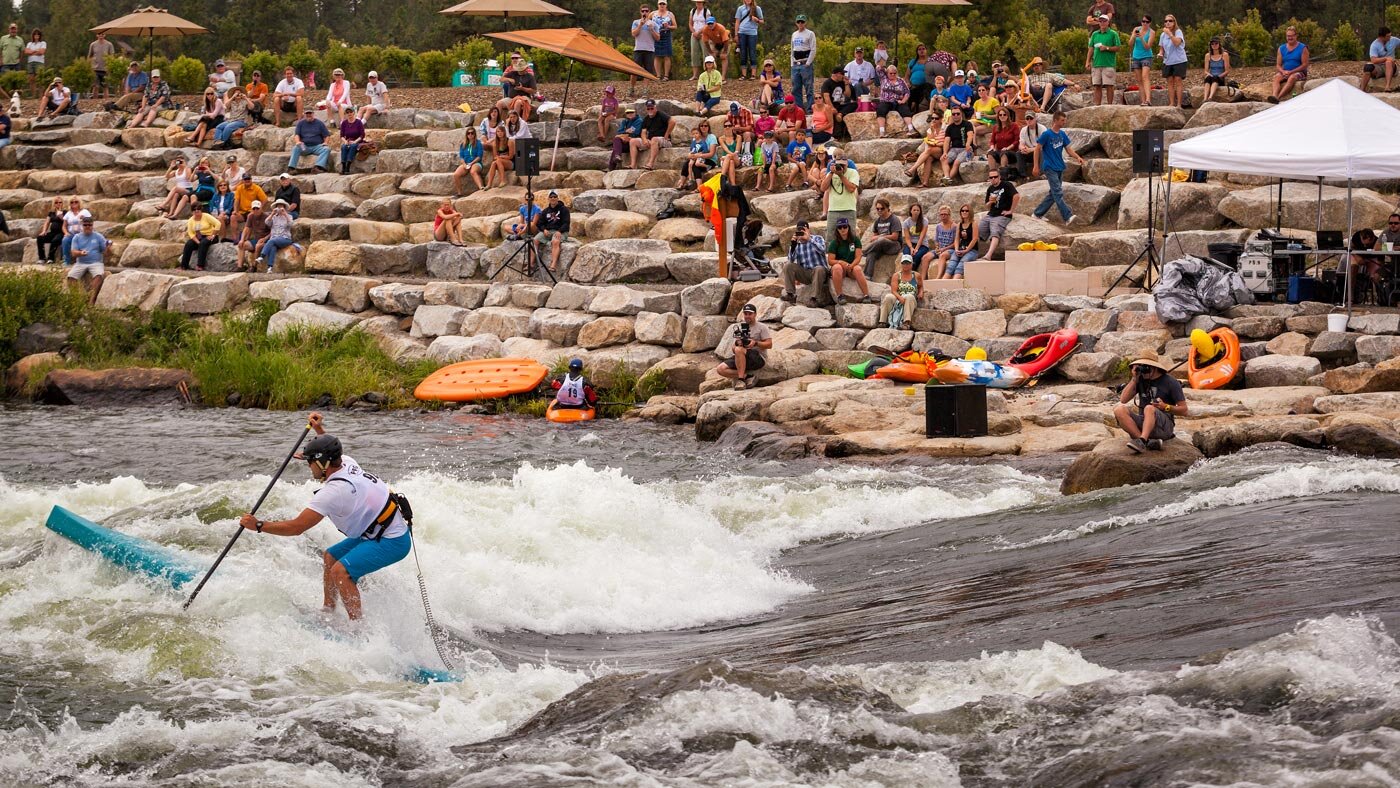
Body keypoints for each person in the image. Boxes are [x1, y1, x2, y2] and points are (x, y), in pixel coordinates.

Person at [238, 413, 413, 622]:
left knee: (341, 572)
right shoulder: (346, 462)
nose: (309, 466)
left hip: (392, 540)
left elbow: (296, 527)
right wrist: (318, 430)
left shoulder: (332, 492)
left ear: (322, 464)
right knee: (331, 557)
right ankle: (328, 610)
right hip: (377, 529)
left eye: (310, 461)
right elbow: (332, 447)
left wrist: (258, 525)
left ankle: (359, 629)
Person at [1113, 351, 1186, 452]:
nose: (1144, 372)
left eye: (1147, 368)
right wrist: (1134, 379)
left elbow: (1184, 410)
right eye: (1142, 368)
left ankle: (1142, 440)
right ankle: (1145, 442)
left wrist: (1166, 407)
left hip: (1163, 427)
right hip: (1144, 424)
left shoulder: (1171, 382)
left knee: (1149, 408)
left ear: (1155, 368)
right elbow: (1123, 400)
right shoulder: (1140, 379)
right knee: (1119, 410)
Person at [1032, 111, 1086, 226]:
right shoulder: (1046, 134)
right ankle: (1067, 216)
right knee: (1057, 192)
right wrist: (1036, 166)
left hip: (1060, 166)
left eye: (1064, 120)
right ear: (1055, 121)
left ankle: (1037, 214)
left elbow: (1068, 149)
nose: (1064, 122)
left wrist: (1078, 157)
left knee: (1053, 194)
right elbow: (1037, 149)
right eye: (1062, 120)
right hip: (1049, 167)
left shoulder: (1062, 134)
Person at [714, 303, 772, 389]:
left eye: (750, 314)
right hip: (742, 355)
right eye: (745, 314)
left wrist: (755, 343)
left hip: (758, 358)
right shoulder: (741, 327)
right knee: (720, 369)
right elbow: (734, 349)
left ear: (755, 314)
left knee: (739, 350)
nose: (747, 316)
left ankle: (740, 380)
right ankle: (747, 376)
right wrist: (738, 343)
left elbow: (769, 345)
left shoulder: (762, 327)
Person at [779, 219, 830, 305]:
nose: (801, 232)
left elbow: (822, 250)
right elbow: (791, 260)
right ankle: (790, 294)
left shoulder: (817, 238)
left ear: (808, 230)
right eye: (799, 231)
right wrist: (793, 245)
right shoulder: (797, 244)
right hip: (805, 274)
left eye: (803, 230)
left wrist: (809, 239)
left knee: (818, 269)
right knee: (788, 266)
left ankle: (814, 299)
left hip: (820, 272)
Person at [826, 218, 872, 305]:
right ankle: (840, 295)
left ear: (848, 227)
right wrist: (840, 262)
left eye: (844, 227)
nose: (842, 229)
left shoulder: (855, 240)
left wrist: (851, 266)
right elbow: (830, 261)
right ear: (837, 229)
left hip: (851, 266)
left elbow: (858, 257)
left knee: (857, 269)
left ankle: (866, 295)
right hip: (841, 268)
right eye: (840, 227)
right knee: (836, 268)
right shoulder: (834, 243)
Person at [978, 167, 1019, 260]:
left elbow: (1016, 196)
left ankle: (988, 255)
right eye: (991, 177)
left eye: (995, 177)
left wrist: (1011, 211)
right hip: (991, 214)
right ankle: (972, 252)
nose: (993, 179)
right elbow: (987, 205)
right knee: (977, 231)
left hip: (1002, 215)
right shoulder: (990, 188)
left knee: (995, 232)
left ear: (999, 177)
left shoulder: (1007, 185)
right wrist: (990, 202)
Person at [66, 216, 107, 305]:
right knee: (71, 277)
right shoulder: (77, 237)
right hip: (81, 262)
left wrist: (108, 246)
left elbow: (104, 250)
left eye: (90, 225)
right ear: (82, 225)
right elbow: (73, 252)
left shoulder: (99, 236)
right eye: (85, 225)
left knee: (99, 276)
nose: (88, 227)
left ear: (92, 225)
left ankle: (91, 301)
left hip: (96, 262)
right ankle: (76, 300)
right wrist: (80, 253)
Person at [823, 147, 859, 245]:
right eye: (839, 164)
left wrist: (841, 176)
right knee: (830, 238)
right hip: (833, 209)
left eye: (843, 165)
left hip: (849, 208)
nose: (841, 167)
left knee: (851, 237)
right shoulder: (831, 172)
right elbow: (823, 188)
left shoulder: (853, 172)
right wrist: (831, 173)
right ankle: (830, 258)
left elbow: (851, 189)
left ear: (847, 163)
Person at [862, 197, 903, 277]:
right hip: (881, 247)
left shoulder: (894, 219)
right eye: (877, 209)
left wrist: (880, 237)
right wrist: (878, 237)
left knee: (881, 240)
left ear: (887, 208)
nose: (879, 211)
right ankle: (867, 276)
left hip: (894, 246)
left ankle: (863, 252)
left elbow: (895, 237)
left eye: (882, 208)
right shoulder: (877, 221)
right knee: (871, 254)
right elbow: (874, 237)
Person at [1086, 15, 1121, 106]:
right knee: (1097, 85)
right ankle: (1098, 106)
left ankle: (1109, 106)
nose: (1102, 23)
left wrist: (1107, 48)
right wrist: (1087, 61)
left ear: (1108, 22)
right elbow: (1091, 49)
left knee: (1109, 85)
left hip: (1108, 63)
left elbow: (1118, 48)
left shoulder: (1113, 34)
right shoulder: (1095, 34)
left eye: (1104, 21)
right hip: (1096, 63)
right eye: (1100, 21)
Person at [880, 254, 922, 330]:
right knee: (888, 297)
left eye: (908, 263)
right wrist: (899, 297)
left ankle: (906, 323)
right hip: (898, 296)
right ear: (901, 264)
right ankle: (883, 321)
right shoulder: (896, 275)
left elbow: (920, 286)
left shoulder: (917, 275)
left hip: (910, 298)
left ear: (911, 264)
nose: (905, 265)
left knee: (908, 296)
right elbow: (893, 290)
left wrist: (920, 293)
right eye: (904, 263)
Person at [630, 99, 674, 170]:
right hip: (652, 141)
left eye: (652, 108)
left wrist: (667, 134)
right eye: (648, 108)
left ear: (655, 107)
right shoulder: (646, 119)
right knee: (633, 141)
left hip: (664, 140)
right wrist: (644, 140)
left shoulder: (660, 115)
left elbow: (672, 121)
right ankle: (633, 165)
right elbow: (643, 132)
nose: (650, 110)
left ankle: (650, 164)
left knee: (654, 139)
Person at [532, 191, 571, 271]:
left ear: (557, 198)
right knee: (535, 240)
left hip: (561, 231)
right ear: (548, 199)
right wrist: (544, 230)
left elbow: (566, 223)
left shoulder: (564, 209)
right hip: (548, 231)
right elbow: (540, 223)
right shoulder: (545, 211)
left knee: (555, 241)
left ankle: (553, 265)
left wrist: (560, 231)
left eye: (554, 196)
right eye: (551, 197)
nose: (553, 198)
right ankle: (531, 264)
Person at [1270, 26, 1309, 103]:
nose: (1290, 38)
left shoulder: (1303, 48)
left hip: (1299, 72)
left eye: (1291, 36)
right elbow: (1278, 65)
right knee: (1276, 77)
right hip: (1286, 71)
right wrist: (1283, 71)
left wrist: (1291, 72)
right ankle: (1274, 96)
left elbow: (1305, 65)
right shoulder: (1281, 48)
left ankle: (1278, 98)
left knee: (1292, 78)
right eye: (1288, 36)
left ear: (1295, 36)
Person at [876, 64, 916, 137]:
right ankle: (882, 132)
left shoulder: (901, 81)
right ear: (887, 73)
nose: (892, 74)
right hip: (886, 101)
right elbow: (878, 68)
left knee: (905, 109)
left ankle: (911, 129)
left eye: (894, 73)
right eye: (890, 73)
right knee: (881, 109)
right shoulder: (884, 78)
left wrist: (903, 100)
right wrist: (884, 66)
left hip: (898, 101)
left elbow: (907, 92)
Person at [178, 203, 220, 271]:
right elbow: (191, 233)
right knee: (189, 244)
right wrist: (198, 242)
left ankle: (200, 265)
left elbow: (218, 223)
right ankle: (184, 266)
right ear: (192, 211)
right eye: (194, 210)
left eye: (198, 209)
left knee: (203, 243)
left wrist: (213, 235)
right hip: (198, 237)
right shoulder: (191, 220)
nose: (196, 211)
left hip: (210, 235)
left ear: (201, 210)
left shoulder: (206, 216)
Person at [261, 199, 299, 271]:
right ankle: (270, 267)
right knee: (273, 247)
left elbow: (291, 224)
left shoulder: (289, 216)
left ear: (284, 207)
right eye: (278, 206)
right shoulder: (274, 217)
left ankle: (262, 256)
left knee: (271, 241)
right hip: (275, 238)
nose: (279, 207)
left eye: (281, 206)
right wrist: (272, 214)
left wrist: (285, 214)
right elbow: (266, 222)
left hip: (285, 238)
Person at [288, 108, 332, 172]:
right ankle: (291, 168)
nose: (308, 115)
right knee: (296, 148)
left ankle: (318, 167)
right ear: (304, 114)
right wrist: (298, 142)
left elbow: (326, 135)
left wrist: (325, 142)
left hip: (317, 146)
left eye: (310, 113)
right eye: (307, 113)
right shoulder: (300, 123)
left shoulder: (320, 123)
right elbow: (297, 134)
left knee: (326, 149)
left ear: (313, 114)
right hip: (304, 146)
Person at [943, 203, 979, 279]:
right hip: (960, 249)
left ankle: (954, 285)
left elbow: (975, 239)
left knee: (960, 267)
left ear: (970, 212)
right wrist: (956, 249)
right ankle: (942, 285)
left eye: (966, 211)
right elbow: (957, 238)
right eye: (962, 211)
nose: (964, 212)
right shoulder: (959, 224)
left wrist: (966, 250)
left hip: (972, 250)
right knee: (951, 266)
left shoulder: (973, 224)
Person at [940, 107, 975, 185]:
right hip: (954, 149)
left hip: (966, 149)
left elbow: (970, 135)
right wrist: (945, 152)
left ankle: (947, 180)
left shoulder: (967, 124)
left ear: (961, 114)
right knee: (943, 159)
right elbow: (947, 141)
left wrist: (968, 144)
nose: (956, 115)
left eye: (958, 113)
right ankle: (947, 178)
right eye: (953, 114)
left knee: (956, 162)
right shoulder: (950, 127)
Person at [231, 172, 268, 245]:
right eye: (245, 179)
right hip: (242, 212)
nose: (247, 180)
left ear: (251, 179)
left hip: (253, 210)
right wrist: (235, 211)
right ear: (243, 180)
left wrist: (259, 209)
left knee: (250, 216)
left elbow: (265, 199)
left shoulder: (256, 188)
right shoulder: (239, 188)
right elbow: (236, 200)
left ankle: (246, 238)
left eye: (249, 179)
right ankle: (235, 238)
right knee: (233, 217)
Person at [904, 120, 944, 187]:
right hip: (933, 150)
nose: (934, 120)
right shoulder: (930, 130)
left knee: (929, 150)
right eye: (933, 118)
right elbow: (931, 141)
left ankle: (912, 169)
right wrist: (933, 131)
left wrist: (936, 142)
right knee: (928, 158)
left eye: (936, 118)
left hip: (943, 150)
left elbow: (943, 142)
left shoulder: (944, 128)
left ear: (941, 119)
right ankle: (925, 183)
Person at [497, 53, 537, 120]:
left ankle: (515, 122)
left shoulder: (530, 77)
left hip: (524, 98)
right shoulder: (513, 73)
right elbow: (501, 79)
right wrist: (509, 79)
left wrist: (522, 88)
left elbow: (533, 90)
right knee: (499, 103)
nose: (520, 71)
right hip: (511, 97)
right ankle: (497, 122)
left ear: (525, 68)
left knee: (518, 102)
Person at [1159, 15, 1187, 109]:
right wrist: (1160, 53)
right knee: (1170, 81)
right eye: (1166, 21)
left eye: (1170, 21)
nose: (1168, 22)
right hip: (1167, 61)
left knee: (1178, 80)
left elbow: (1177, 43)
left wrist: (1170, 34)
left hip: (1179, 60)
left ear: (1174, 22)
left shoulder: (1178, 32)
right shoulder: (1163, 35)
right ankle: (1171, 103)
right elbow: (1161, 48)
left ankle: (1179, 104)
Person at [631, 5, 660, 95]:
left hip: (649, 50)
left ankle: (645, 89)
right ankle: (632, 88)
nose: (644, 13)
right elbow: (634, 34)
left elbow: (658, 38)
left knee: (648, 71)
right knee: (634, 70)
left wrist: (651, 30)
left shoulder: (654, 24)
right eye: (643, 11)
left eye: (646, 11)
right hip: (638, 49)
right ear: (640, 12)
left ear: (649, 12)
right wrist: (640, 25)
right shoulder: (636, 22)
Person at [790, 14, 816, 111]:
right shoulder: (794, 34)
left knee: (809, 87)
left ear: (805, 23)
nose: (800, 24)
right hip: (796, 64)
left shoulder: (810, 34)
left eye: (802, 22)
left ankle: (810, 108)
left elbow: (813, 49)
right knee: (796, 88)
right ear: (796, 23)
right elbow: (792, 50)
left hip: (805, 63)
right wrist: (792, 64)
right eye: (798, 22)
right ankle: (799, 108)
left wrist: (808, 63)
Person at [235, 199, 269, 272]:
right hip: (256, 239)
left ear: (261, 208)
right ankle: (240, 267)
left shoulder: (266, 217)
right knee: (241, 245)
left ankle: (254, 266)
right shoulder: (250, 216)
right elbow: (246, 228)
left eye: (257, 208)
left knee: (258, 246)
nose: (256, 210)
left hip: (266, 240)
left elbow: (273, 231)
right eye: (254, 208)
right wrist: (242, 239)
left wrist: (265, 238)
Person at [986, 106, 1021, 176]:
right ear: (998, 116)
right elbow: (992, 141)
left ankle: (1002, 175)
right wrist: (992, 147)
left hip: (1012, 152)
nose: (1002, 116)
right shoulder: (996, 127)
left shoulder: (1014, 126)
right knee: (990, 154)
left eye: (1004, 114)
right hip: (1000, 151)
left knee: (1004, 153)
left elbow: (1017, 141)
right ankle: (993, 174)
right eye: (1000, 115)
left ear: (1008, 116)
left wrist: (1008, 148)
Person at [733, 0, 763, 80]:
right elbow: (737, 21)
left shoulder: (757, 9)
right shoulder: (740, 8)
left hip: (752, 33)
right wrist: (736, 34)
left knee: (752, 52)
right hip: (742, 32)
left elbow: (762, 21)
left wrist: (757, 20)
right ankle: (744, 75)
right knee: (743, 53)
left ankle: (753, 74)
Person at [1362, 27, 1398, 93]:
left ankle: (1387, 87)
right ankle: (1362, 90)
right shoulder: (1374, 45)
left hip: (1391, 67)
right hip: (1379, 68)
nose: (1390, 37)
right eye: (1388, 36)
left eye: (1390, 35)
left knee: (1388, 62)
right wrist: (1386, 58)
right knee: (1367, 67)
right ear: (1381, 37)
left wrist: (1388, 59)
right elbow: (1373, 60)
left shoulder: (1394, 40)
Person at [1129, 15, 1155, 106]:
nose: (1144, 23)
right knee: (1139, 80)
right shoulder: (1136, 29)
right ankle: (1143, 101)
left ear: (1150, 23)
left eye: (1147, 22)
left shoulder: (1151, 32)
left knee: (1145, 76)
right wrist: (1133, 36)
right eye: (1143, 21)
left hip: (1146, 56)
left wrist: (1141, 38)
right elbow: (1130, 44)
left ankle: (1148, 100)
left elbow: (1147, 47)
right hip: (1136, 56)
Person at [680, 122, 715, 188]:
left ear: (708, 127)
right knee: (686, 164)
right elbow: (692, 149)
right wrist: (690, 154)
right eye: (701, 126)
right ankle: (682, 183)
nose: (703, 127)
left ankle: (699, 187)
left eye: (705, 126)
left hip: (709, 159)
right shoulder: (695, 138)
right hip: (697, 156)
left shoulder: (711, 137)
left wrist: (698, 155)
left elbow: (711, 154)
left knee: (695, 166)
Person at [59, 198, 92, 268]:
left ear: (79, 203)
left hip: (82, 234)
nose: (74, 203)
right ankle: (66, 261)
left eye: (76, 202)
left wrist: (84, 219)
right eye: (72, 202)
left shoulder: (85, 212)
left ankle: (82, 260)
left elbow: (90, 222)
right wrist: (66, 233)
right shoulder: (68, 213)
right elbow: (64, 226)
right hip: (71, 234)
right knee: (65, 240)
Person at [609, 106, 644, 171]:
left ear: (635, 112)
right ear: (626, 114)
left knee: (616, 146)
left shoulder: (639, 121)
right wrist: (625, 132)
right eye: (628, 113)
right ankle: (617, 157)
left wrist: (624, 135)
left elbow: (636, 133)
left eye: (631, 112)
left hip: (634, 143)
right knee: (617, 141)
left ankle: (611, 168)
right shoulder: (624, 121)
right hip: (626, 141)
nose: (630, 114)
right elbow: (619, 132)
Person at [453, 126, 486, 196]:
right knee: (456, 174)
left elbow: (479, 156)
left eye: (472, 133)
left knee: (473, 171)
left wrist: (471, 163)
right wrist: (464, 164)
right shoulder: (463, 144)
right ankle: (459, 193)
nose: (470, 135)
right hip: (466, 163)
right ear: (466, 135)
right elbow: (461, 157)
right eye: (468, 133)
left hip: (476, 163)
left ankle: (481, 188)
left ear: (474, 134)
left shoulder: (478, 143)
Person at [1202, 37, 1231, 103]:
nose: (1214, 45)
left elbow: (1227, 71)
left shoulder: (1225, 55)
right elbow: (1205, 70)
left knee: (1215, 78)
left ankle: (1210, 97)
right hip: (1211, 76)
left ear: (1219, 44)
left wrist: (1219, 76)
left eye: (1216, 43)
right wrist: (1208, 74)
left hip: (1220, 77)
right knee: (1208, 78)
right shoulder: (1207, 55)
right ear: (1210, 45)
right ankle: (1205, 98)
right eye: (1212, 44)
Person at [36, 197, 63, 264]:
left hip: (61, 232)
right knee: (40, 238)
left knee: (55, 240)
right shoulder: (51, 213)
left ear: (62, 203)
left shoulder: (65, 212)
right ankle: (42, 258)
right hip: (53, 232)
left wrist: (60, 215)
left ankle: (51, 258)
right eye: (56, 202)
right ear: (54, 204)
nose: (58, 204)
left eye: (60, 202)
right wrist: (44, 231)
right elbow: (47, 222)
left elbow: (66, 221)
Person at [653, 1, 676, 80]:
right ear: (658, 5)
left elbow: (675, 26)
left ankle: (666, 76)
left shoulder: (670, 14)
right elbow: (647, 21)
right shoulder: (653, 14)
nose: (662, 5)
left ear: (666, 5)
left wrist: (668, 26)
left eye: (663, 4)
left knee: (667, 55)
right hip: (656, 35)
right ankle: (658, 75)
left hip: (666, 34)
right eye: (660, 4)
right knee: (657, 56)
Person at [88, 32, 114, 100]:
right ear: (97, 35)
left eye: (102, 34)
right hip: (95, 68)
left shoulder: (109, 44)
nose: (101, 36)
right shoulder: (93, 44)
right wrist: (89, 66)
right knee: (95, 86)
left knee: (105, 86)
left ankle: (106, 101)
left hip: (105, 69)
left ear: (105, 35)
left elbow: (112, 56)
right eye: (99, 34)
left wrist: (110, 67)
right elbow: (90, 56)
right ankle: (94, 101)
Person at [689, 0, 712, 80]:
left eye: (700, 2)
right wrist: (694, 32)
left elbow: (708, 24)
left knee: (705, 54)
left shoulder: (706, 11)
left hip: (704, 34)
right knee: (694, 54)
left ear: (703, 3)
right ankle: (695, 75)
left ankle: (707, 73)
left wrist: (699, 32)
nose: (698, 4)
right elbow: (690, 23)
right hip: (694, 35)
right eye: (697, 2)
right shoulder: (693, 11)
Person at [907, 44, 932, 111]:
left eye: (923, 49)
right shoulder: (913, 62)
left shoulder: (930, 61)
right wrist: (908, 82)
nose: (921, 51)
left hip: (925, 86)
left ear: (926, 50)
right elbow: (907, 75)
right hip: (912, 85)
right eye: (919, 49)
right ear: (917, 51)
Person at [23, 29, 43, 96]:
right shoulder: (29, 44)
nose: (36, 36)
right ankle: (33, 95)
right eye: (35, 34)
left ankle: (41, 95)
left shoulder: (43, 43)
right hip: (30, 62)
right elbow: (26, 52)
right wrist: (36, 51)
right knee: (31, 79)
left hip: (39, 62)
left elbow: (41, 52)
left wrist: (31, 52)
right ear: (33, 35)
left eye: (38, 34)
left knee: (40, 79)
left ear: (40, 36)